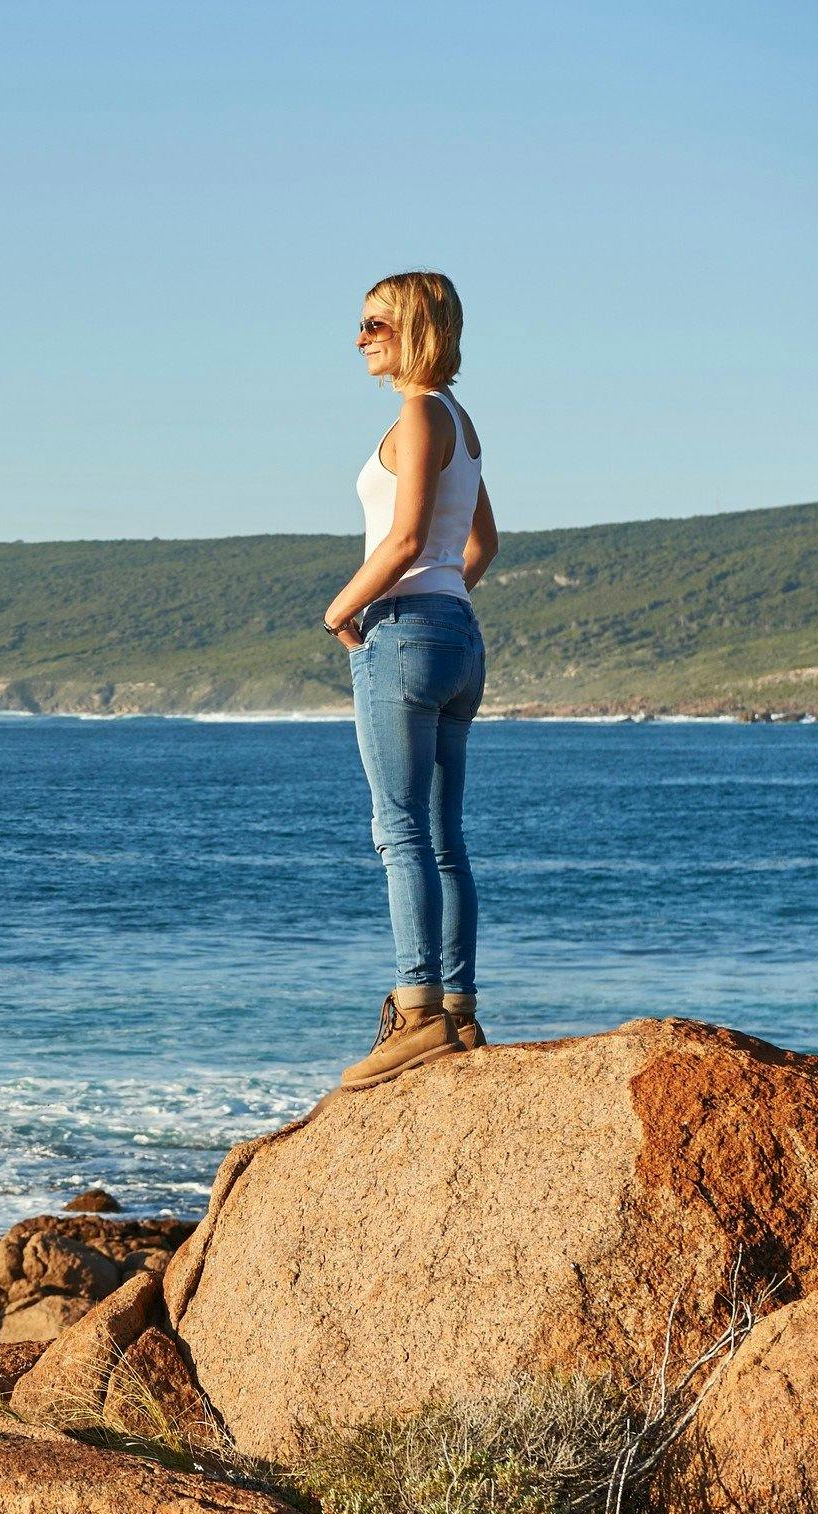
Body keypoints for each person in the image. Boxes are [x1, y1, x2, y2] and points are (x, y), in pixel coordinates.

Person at [322, 269, 498, 1088]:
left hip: (405, 634)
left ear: (416, 328)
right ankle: (458, 1011)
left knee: (398, 832)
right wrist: (443, 594)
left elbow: (400, 542)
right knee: (445, 837)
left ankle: (418, 1010)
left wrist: (340, 609)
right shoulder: (458, 421)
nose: (359, 337)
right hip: (458, 633)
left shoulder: (420, 412)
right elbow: (478, 545)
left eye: (374, 325)